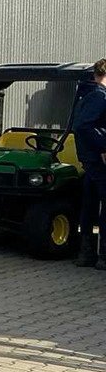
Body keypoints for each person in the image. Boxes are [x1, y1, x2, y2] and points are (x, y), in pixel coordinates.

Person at [72, 58, 106, 269]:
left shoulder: (86, 93)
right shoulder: (99, 97)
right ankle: (103, 256)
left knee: (90, 203)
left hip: (89, 158)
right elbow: (83, 126)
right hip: (97, 159)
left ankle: (86, 254)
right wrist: (104, 146)